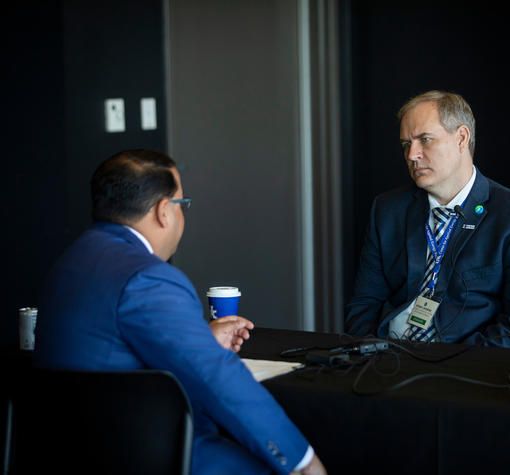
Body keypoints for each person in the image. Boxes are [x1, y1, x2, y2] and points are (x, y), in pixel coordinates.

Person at [33, 150, 326, 475]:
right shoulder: (148, 277)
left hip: (61, 447)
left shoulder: (69, 263)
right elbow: (217, 379)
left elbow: (109, 345)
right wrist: (302, 461)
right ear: (163, 212)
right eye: (182, 205)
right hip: (139, 453)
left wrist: (200, 338)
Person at [345, 90, 510, 348]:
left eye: (425, 139)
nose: (412, 155)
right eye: (406, 144)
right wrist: (373, 357)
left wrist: (445, 366)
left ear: (461, 138)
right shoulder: (387, 210)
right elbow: (363, 307)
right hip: (389, 362)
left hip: (464, 370)